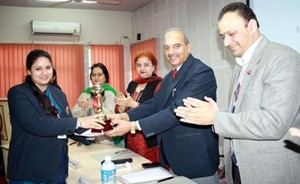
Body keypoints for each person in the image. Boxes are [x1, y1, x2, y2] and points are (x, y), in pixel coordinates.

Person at [174, 2, 300, 184]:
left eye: (231, 34)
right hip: (240, 170)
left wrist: (216, 118)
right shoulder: (241, 64)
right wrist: (216, 114)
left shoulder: (282, 58)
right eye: (222, 36)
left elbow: (274, 122)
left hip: (271, 173)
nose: (225, 42)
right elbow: (246, 114)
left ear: (252, 26)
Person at [105, 28, 220, 183]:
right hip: (174, 158)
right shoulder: (169, 77)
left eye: (176, 46)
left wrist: (133, 125)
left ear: (189, 47)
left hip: (195, 161)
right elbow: (154, 103)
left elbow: (177, 111)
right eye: (167, 47)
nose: (171, 51)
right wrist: (123, 115)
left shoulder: (201, 73)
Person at [7, 49, 104, 184]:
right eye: (38, 69)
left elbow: (66, 123)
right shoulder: (18, 93)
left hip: (57, 164)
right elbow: (37, 124)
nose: (44, 72)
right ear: (29, 71)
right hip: (29, 168)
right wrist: (80, 122)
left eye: (48, 67)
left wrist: (94, 131)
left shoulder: (58, 94)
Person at [115, 50, 162, 163]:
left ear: (153, 67)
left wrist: (131, 104)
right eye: (139, 65)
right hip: (130, 135)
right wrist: (121, 107)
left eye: (146, 65)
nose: (142, 68)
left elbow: (157, 111)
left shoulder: (159, 84)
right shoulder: (133, 84)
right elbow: (123, 110)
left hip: (148, 137)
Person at [72, 63, 123, 147]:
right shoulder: (85, 93)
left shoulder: (109, 93)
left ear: (105, 77)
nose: (96, 78)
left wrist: (93, 105)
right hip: (86, 136)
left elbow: (111, 114)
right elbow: (73, 114)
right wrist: (83, 109)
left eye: (99, 75)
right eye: (93, 75)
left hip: (105, 137)